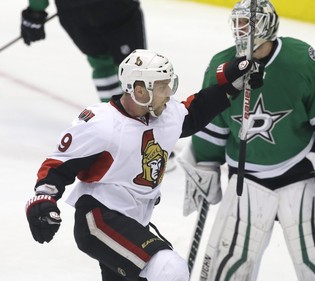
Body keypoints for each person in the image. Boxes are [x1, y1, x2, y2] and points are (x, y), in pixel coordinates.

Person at [25, 49, 254, 281]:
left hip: (134, 221)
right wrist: (44, 199)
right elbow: (60, 164)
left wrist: (231, 85)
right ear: (140, 90)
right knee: (168, 269)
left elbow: (194, 112)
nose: (169, 93)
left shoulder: (166, 115)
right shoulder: (102, 123)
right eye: (162, 86)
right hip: (99, 219)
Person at [178, 0, 315, 280]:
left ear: (268, 25)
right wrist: (204, 164)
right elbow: (210, 121)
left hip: (301, 175)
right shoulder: (221, 66)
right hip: (245, 182)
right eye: (237, 23)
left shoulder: (300, 59)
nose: (240, 30)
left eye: (247, 23)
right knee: (228, 270)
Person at [20, 0, 146, 102]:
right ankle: (138, 116)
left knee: (101, 62)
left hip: (73, 12)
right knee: (134, 65)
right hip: (113, 7)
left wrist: (35, 11)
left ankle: (113, 114)